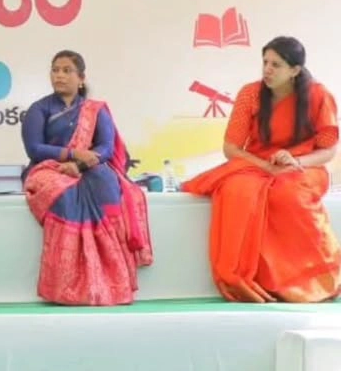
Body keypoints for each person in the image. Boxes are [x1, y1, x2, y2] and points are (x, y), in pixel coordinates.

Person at [183, 36, 341, 303]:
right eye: (265, 62)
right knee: (236, 191)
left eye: (276, 65)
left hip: (304, 167)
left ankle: (311, 280)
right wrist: (266, 166)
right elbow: (231, 148)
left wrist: (295, 162)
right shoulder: (250, 93)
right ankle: (245, 279)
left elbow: (328, 151)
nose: (267, 69)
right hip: (256, 165)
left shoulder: (319, 96)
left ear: (295, 70)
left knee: (287, 195)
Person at [20, 50, 152, 306]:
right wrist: (70, 154)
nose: (59, 75)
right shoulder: (40, 108)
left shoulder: (95, 109)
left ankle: (111, 282)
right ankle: (66, 283)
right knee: (63, 192)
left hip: (87, 167)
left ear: (81, 78)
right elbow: (34, 148)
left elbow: (105, 147)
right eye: (55, 70)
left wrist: (80, 163)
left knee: (106, 183)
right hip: (47, 168)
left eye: (66, 70)